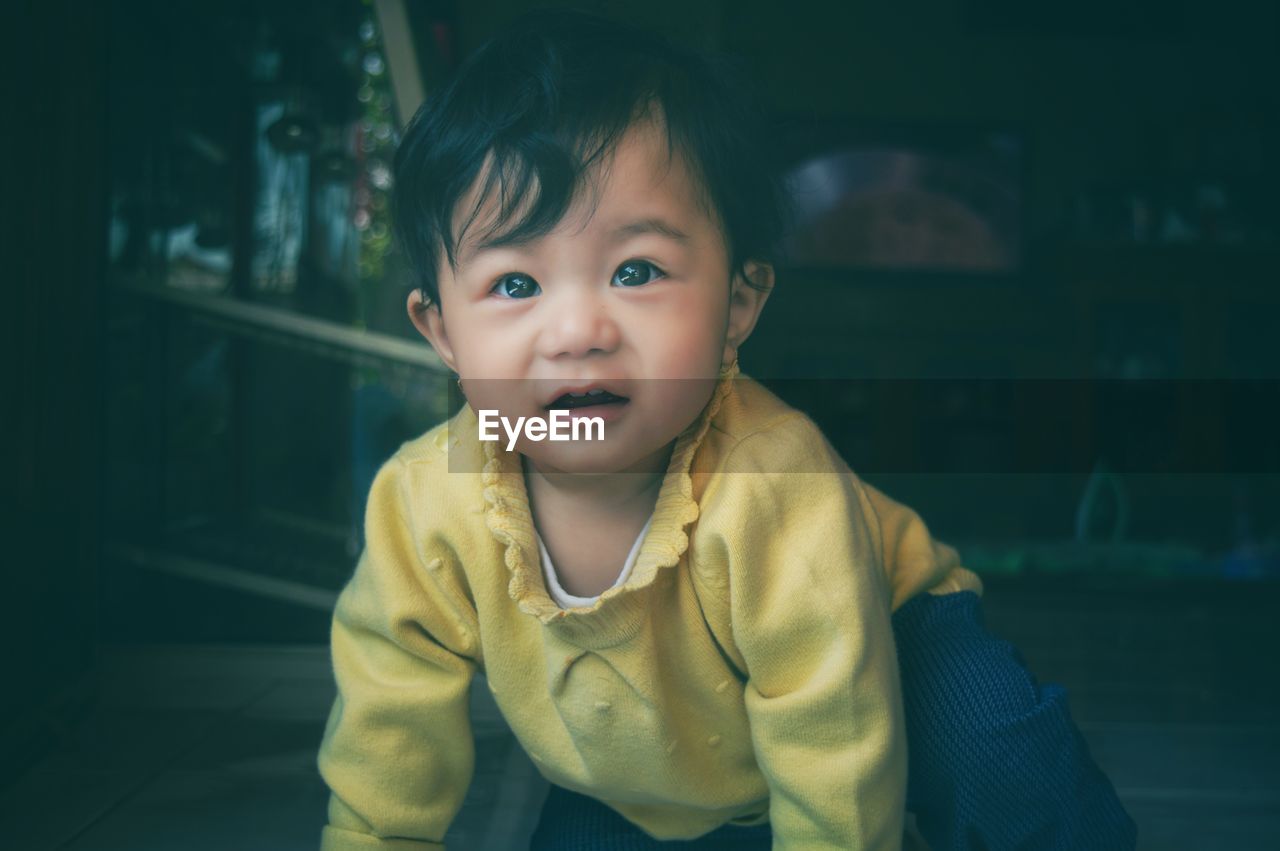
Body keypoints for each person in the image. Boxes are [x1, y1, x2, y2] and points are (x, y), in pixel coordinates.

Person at [316, 11, 1135, 850]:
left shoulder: (773, 479)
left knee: (1002, 758)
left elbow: (836, 738)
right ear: (443, 332)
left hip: (885, 646)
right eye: (515, 282)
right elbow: (389, 737)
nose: (577, 331)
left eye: (636, 271)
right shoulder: (422, 504)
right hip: (660, 761)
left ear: (738, 304)